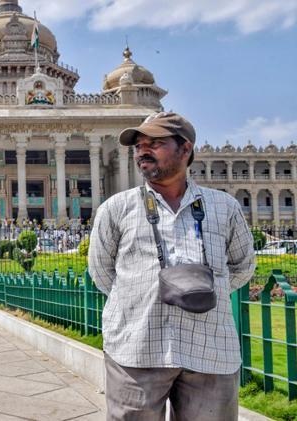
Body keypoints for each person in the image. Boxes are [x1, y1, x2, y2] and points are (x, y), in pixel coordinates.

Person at [88, 112, 255, 420]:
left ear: (186, 149)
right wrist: (141, 296)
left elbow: (244, 266)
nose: (142, 151)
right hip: (137, 347)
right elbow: (101, 272)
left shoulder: (223, 207)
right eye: (139, 145)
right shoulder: (116, 208)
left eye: (156, 143)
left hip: (210, 347)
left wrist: (204, 289)